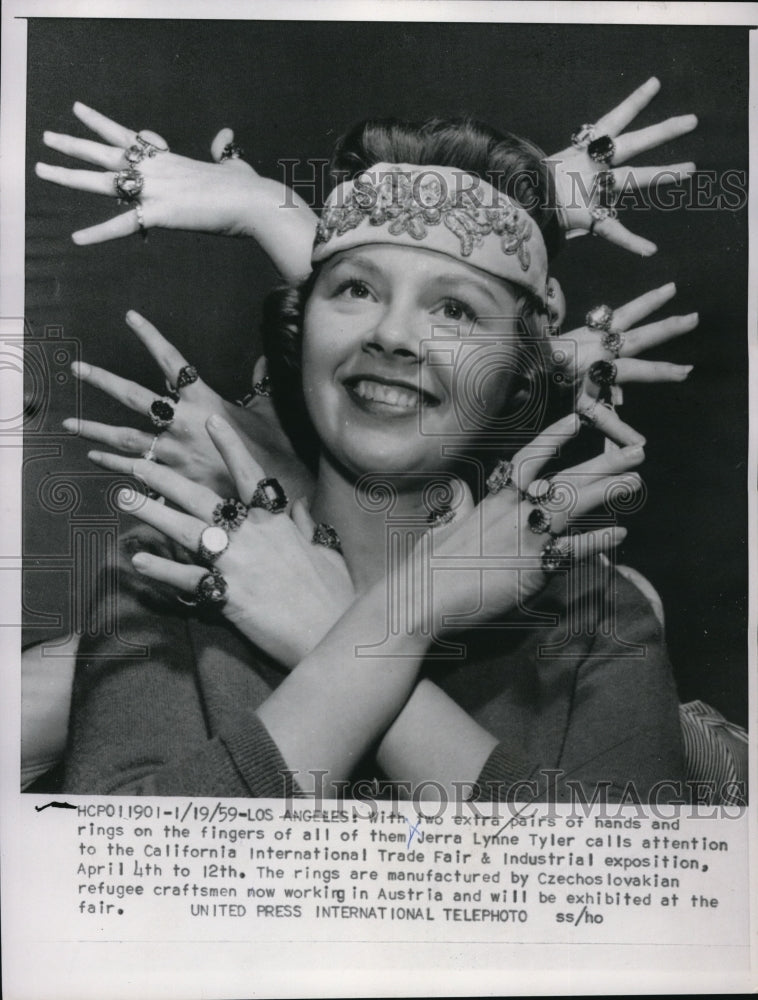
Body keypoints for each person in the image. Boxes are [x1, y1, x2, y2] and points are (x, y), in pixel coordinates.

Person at [33, 108, 699, 805]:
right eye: (356, 290)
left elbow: (615, 895)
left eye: (457, 311)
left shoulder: (600, 614)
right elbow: (127, 882)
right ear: (301, 325)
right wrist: (407, 618)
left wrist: (369, 622)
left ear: (522, 370)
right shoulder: (165, 569)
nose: (393, 334)